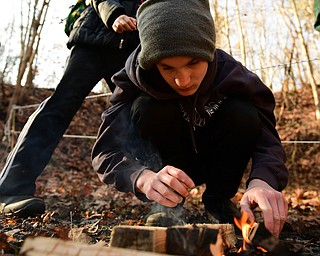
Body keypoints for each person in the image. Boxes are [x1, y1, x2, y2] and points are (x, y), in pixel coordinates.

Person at [91, 0, 289, 238]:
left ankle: (218, 200)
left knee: (243, 113)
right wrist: (142, 178)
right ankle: (166, 201)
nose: (183, 80)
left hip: (216, 157)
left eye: (193, 63)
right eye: (167, 68)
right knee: (146, 107)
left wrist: (262, 182)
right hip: (168, 165)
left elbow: (268, 142)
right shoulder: (133, 80)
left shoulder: (237, 77)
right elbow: (105, 151)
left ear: (207, 51)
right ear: (153, 63)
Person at [0, 0, 142, 217]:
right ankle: (11, 189)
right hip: (94, 39)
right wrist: (115, 15)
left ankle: (161, 198)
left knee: (141, 116)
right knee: (60, 106)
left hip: (133, 51)